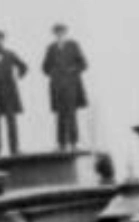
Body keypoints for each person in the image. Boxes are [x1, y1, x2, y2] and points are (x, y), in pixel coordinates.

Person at [41, 23, 88, 152]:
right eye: (57, 32)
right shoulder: (51, 48)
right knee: (60, 116)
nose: (59, 35)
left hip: (71, 86)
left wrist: (72, 70)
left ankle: (74, 142)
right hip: (57, 88)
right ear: (54, 34)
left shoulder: (73, 46)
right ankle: (61, 143)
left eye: (62, 32)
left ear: (66, 33)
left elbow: (84, 64)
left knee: (72, 115)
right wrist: (53, 73)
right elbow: (44, 67)